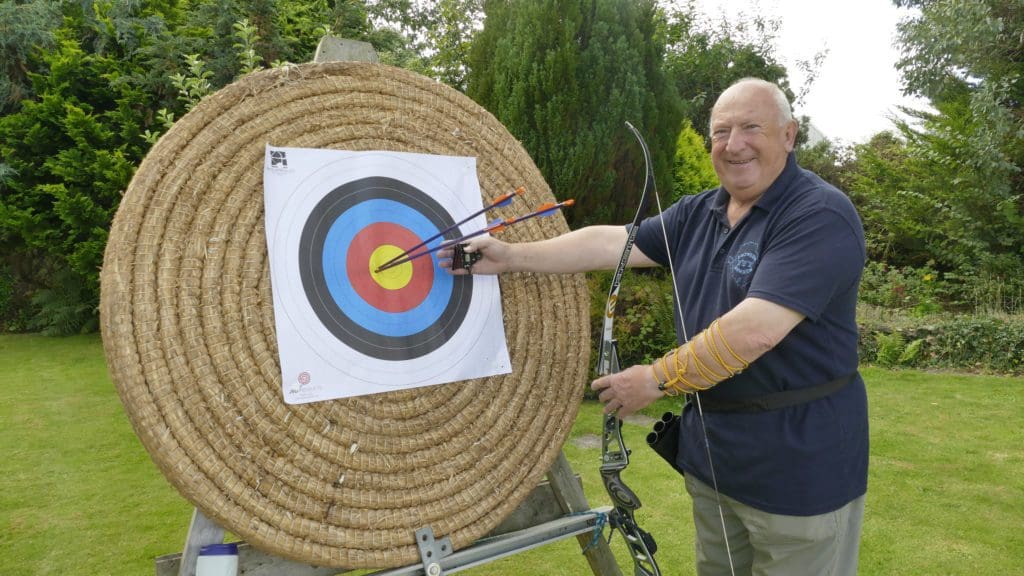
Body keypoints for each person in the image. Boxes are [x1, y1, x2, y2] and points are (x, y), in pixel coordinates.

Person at [441, 77, 868, 576]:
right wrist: (512, 256)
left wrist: (656, 379)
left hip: (799, 468)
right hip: (716, 457)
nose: (734, 145)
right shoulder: (700, 211)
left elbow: (756, 329)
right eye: (721, 131)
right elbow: (610, 244)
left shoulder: (817, 214)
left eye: (752, 128)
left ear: (789, 135)